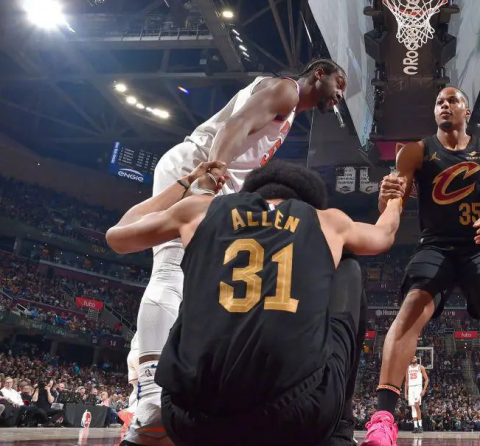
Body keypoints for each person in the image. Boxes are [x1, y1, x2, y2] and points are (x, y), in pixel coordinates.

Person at [125, 59, 349, 446]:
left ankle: (142, 389)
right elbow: (236, 125)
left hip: (217, 178)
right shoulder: (287, 90)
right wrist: (210, 176)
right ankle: (149, 396)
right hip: (198, 169)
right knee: (170, 271)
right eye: (339, 82)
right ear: (319, 73)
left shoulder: (288, 105)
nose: (341, 93)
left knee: (195, 288)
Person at [106, 160, 404, 446]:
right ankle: (339, 433)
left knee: (199, 277)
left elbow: (117, 236)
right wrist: (394, 198)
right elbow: (385, 234)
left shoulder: (200, 209)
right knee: (347, 267)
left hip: (189, 421)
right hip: (298, 421)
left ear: (250, 192)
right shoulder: (328, 221)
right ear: (310, 203)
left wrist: (187, 182)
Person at [361, 86, 480, 446]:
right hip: (436, 245)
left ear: (467, 111)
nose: (445, 105)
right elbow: (395, 203)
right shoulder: (415, 151)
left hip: (478, 246)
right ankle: (383, 419)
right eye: (439, 102)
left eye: (452, 101)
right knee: (411, 306)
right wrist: (385, 204)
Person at [405, 356, 429, 434]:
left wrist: (424, 390)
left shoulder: (420, 367)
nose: (413, 358)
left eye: (415, 357)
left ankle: (420, 426)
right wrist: (405, 393)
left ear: (417, 359)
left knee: (416, 406)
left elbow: (427, 379)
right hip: (410, 388)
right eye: (412, 358)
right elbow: (406, 382)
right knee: (413, 408)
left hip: (418, 387)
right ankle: (415, 427)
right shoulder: (408, 368)